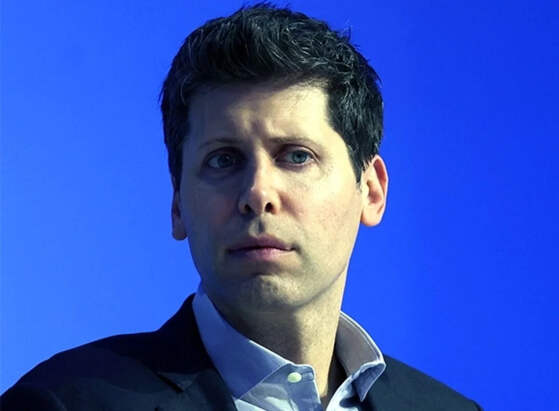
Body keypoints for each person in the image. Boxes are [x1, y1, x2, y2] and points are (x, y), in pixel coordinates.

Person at [2, 4, 482, 410]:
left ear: (371, 191)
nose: (258, 193)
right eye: (223, 160)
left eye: (297, 156)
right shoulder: (60, 402)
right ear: (177, 204)